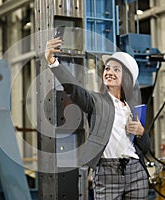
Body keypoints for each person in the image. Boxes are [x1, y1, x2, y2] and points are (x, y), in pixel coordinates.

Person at [45, 37, 151, 199]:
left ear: (127, 78)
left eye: (116, 69)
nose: (109, 72)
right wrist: (53, 62)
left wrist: (141, 132)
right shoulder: (96, 101)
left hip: (135, 171)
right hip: (107, 172)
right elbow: (74, 89)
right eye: (107, 68)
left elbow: (146, 147)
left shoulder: (133, 109)